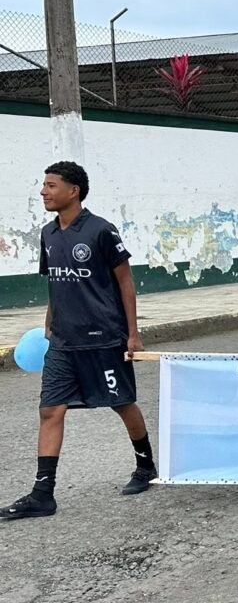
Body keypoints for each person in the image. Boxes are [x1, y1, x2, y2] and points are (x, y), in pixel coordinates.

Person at [2, 162, 156, 520]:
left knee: (122, 402)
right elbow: (56, 281)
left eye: (51, 185)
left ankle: (145, 465)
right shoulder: (48, 234)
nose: (43, 191)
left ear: (73, 191)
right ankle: (43, 494)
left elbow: (125, 282)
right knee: (50, 409)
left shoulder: (102, 231)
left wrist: (132, 334)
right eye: (43, 185)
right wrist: (49, 319)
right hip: (63, 341)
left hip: (103, 337)